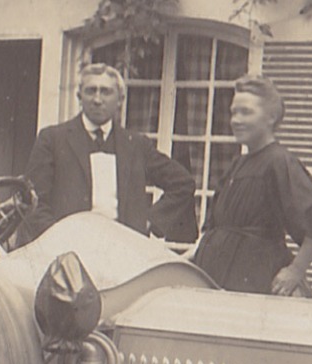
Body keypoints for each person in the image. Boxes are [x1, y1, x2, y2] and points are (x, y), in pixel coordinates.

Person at [193, 75, 312, 296]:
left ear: (270, 117)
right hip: (219, 274)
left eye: (246, 112)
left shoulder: (279, 161)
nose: (236, 120)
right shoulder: (238, 164)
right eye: (234, 112)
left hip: (256, 276)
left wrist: (296, 270)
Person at [20, 62, 198, 243]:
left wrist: (150, 222)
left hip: (121, 252)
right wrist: (60, 237)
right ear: (79, 96)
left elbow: (183, 183)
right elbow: (32, 202)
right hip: (69, 250)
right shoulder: (52, 139)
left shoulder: (136, 145)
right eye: (91, 91)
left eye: (105, 92)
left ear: (120, 99)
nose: (97, 99)